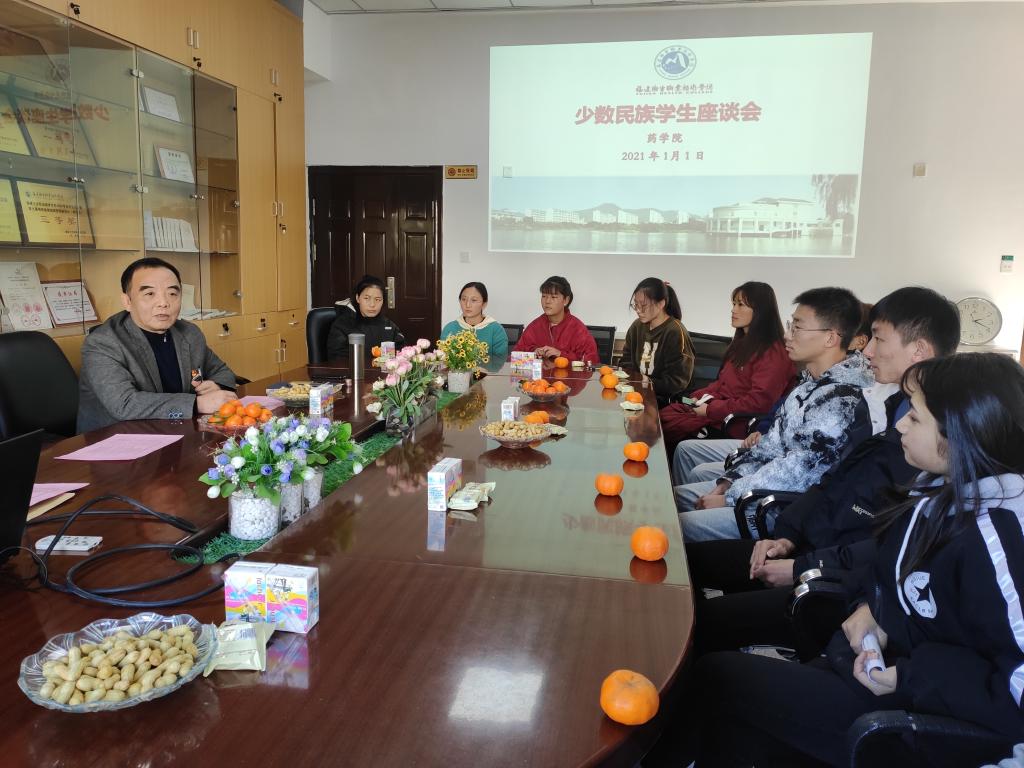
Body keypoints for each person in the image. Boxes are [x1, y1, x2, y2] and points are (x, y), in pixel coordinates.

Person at [695, 353, 1024, 767]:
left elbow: (1015, 687)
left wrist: (911, 677)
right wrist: (870, 609)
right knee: (739, 714)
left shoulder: (1000, 538)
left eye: (916, 418)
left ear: (962, 433)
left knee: (716, 678)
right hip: (868, 666)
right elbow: (888, 576)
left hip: (910, 715)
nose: (901, 425)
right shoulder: (937, 492)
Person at [687, 287, 961, 656]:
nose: (866, 351)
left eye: (878, 339)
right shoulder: (894, 406)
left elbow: (883, 540)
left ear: (919, 351)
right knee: (695, 564)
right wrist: (788, 536)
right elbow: (834, 482)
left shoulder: (928, 436)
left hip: (836, 582)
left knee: (702, 615)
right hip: (812, 541)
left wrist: (801, 564)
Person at [675, 287, 872, 542]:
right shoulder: (810, 384)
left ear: (830, 338)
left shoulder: (841, 400)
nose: (788, 335)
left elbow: (797, 471)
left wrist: (729, 497)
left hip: (779, 510)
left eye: (797, 327)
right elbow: (769, 447)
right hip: (758, 490)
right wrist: (728, 482)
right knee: (674, 500)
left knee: (677, 525)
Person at [77, 257, 237, 433]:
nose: (164, 303)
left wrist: (216, 385)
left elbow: (223, 372)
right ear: (127, 301)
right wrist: (196, 404)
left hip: (178, 430)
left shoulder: (189, 333)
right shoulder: (103, 343)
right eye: (149, 294)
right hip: (117, 439)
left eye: (172, 294)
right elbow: (124, 404)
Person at [662, 281, 795, 452]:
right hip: (714, 411)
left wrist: (711, 409)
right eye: (733, 304)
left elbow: (758, 402)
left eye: (740, 305)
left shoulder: (773, 352)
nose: (733, 310)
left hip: (734, 425)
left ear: (760, 311)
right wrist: (697, 398)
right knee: (660, 418)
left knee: (665, 430)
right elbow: (722, 384)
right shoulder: (741, 344)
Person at [617, 277, 695, 404]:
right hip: (635, 395)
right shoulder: (637, 327)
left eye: (643, 305)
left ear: (661, 304)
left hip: (663, 401)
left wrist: (648, 383)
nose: (638, 310)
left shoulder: (675, 332)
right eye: (635, 304)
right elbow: (626, 361)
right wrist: (633, 379)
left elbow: (677, 382)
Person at [513, 276, 598, 364]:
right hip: (541, 374)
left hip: (566, 373)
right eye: (544, 296)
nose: (547, 301)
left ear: (566, 300)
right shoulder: (535, 326)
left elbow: (591, 362)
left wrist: (561, 354)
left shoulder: (578, 329)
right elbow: (515, 359)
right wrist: (533, 354)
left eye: (553, 297)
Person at [326, 274, 405, 362]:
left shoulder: (389, 326)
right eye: (366, 298)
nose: (372, 304)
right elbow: (338, 360)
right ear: (358, 298)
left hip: (382, 371)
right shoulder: (343, 325)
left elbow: (400, 356)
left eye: (377, 299)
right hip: (354, 370)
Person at [440, 282, 508, 360]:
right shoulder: (450, 328)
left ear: (484, 304)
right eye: (464, 299)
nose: (467, 305)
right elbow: (443, 359)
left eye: (474, 300)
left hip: (487, 369)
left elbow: (501, 360)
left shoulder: (496, 330)